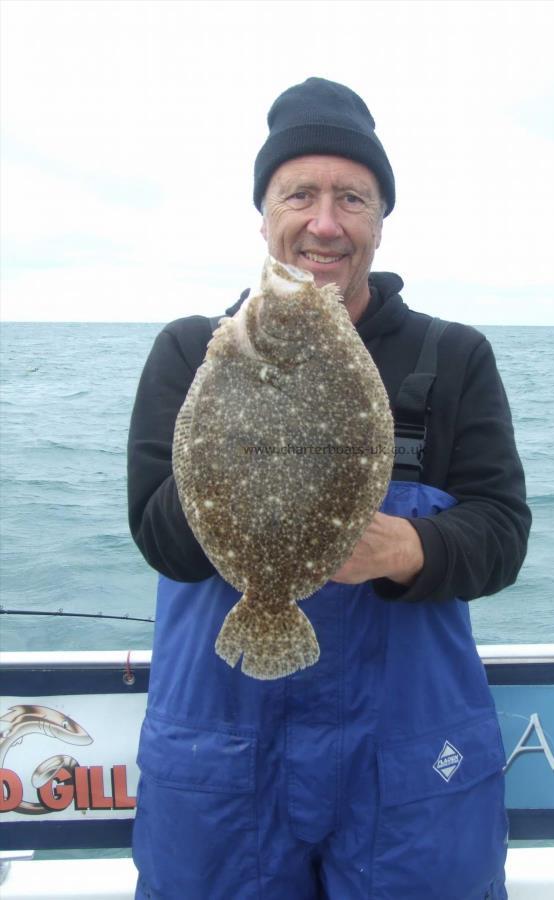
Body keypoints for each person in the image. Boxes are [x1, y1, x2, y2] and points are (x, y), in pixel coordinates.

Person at [127, 77, 531, 900]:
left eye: (351, 197)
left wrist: (408, 546)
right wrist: (222, 413)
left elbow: (501, 532)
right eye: (298, 194)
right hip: (224, 750)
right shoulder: (190, 351)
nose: (323, 221)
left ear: (380, 220)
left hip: (404, 758)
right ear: (263, 214)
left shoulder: (450, 357)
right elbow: (158, 536)